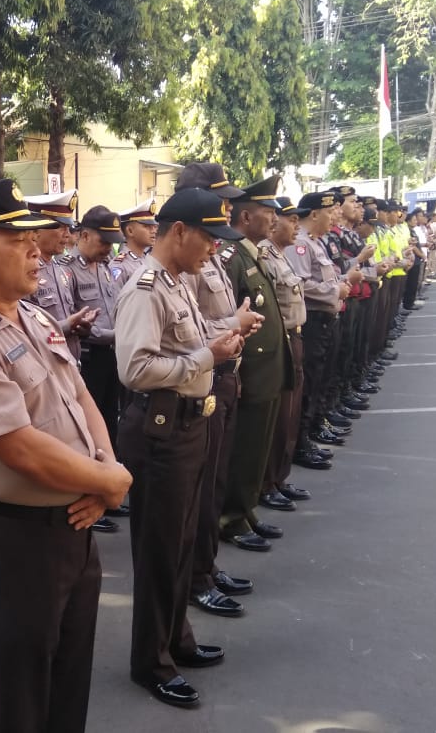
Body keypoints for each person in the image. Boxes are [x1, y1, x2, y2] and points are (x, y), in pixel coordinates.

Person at [0, 178, 132, 733]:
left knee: (66, 693)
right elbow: (17, 445)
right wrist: (107, 481)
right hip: (9, 546)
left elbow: (82, 397)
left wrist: (106, 475)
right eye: (17, 239)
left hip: (70, 529)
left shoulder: (35, 317)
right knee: (10, 708)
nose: (36, 249)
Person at [115, 187, 244, 709]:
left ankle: (176, 641)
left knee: (182, 541)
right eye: (209, 239)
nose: (213, 250)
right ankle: (151, 661)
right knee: (160, 551)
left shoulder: (177, 281)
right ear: (180, 232)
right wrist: (206, 359)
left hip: (188, 426)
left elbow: (190, 339)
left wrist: (223, 337)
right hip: (160, 432)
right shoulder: (145, 288)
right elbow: (136, 369)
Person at [174, 162, 260, 615]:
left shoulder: (214, 253)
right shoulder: (182, 261)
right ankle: (196, 577)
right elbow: (193, 330)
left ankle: (207, 565)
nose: (229, 207)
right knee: (200, 492)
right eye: (220, 198)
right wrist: (236, 323)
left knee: (215, 481)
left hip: (222, 376)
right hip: (201, 381)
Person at [217, 177, 290, 551]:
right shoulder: (232, 256)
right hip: (249, 371)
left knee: (257, 447)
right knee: (244, 447)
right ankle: (231, 517)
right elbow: (229, 316)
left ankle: (246, 509)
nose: (274, 219)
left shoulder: (253, 252)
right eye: (267, 212)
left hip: (267, 370)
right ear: (246, 216)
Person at [58, 204, 126, 532]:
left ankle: (105, 487)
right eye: (103, 241)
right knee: (86, 428)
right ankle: (89, 492)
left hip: (112, 353)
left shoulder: (107, 267)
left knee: (108, 422)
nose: (109, 248)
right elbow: (74, 319)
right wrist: (117, 335)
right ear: (84, 235)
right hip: (88, 355)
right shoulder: (66, 269)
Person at [259, 198, 318, 505]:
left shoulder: (280, 256)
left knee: (291, 414)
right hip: (278, 341)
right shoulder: (265, 256)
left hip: (294, 337)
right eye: (290, 219)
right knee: (280, 417)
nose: (297, 225)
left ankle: (279, 478)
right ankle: (267, 483)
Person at [285, 192, 349, 455]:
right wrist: (334, 292)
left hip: (324, 320)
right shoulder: (300, 244)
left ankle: (313, 427)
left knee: (319, 377)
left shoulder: (315, 242)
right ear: (313, 214)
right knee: (308, 382)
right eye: (328, 212)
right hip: (312, 322)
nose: (333, 216)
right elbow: (301, 284)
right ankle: (303, 439)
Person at [23, 189, 97, 361]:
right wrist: (66, 325)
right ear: (37, 230)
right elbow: (26, 329)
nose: (67, 234)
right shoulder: (24, 273)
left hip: (71, 363)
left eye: (68, 228)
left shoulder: (61, 270)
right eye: (60, 227)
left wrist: (81, 326)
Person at [111, 198, 157, 285]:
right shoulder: (120, 267)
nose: (153, 231)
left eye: (154, 226)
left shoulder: (148, 259)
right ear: (130, 231)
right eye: (147, 226)